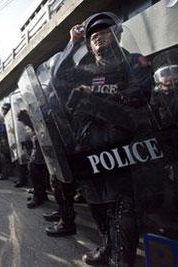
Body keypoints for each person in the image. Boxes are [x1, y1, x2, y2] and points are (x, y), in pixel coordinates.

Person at [56, 12, 152, 266]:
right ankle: (108, 248)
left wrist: (97, 96)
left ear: (117, 34)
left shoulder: (132, 62)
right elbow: (58, 79)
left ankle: (121, 260)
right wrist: (72, 42)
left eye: (105, 32)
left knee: (123, 207)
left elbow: (140, 93)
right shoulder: (85, 70)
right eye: (94, 36)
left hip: (125, 145)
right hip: (91, 148)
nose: (99, 38)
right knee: (99, 205)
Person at [17, 110, 49, 208]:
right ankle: (41, 194)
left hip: (42, 151)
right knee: (36, 171)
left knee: (34, 171)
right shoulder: (33, 122)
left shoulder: (35, 121)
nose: (23, 124)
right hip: (40, 150)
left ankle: (38, 197)